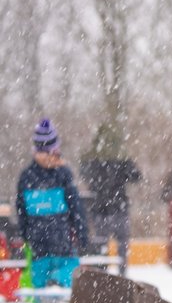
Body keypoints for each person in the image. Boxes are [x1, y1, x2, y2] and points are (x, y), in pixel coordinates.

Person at [16, 118, 89, 290]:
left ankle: (55, 286)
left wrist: (82, 234)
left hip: (61, 244)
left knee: (66, 276)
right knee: (43, 283)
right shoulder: (28, 177)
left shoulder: (62, 174)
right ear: (39, 152)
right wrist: (25, 235)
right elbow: (21, 210)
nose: (54, 157)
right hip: (41, 245)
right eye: (51, 153)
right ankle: (52, 292)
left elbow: (75, 208)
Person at [79, 120, 142, 277]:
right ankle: (122, 276)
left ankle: (102, 278)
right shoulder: (121, 159)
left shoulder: (92, 160)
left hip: (100, 210)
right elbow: (137, 176)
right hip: (119, 208)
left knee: (102, 248)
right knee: (122, 248)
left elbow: (84, 174)